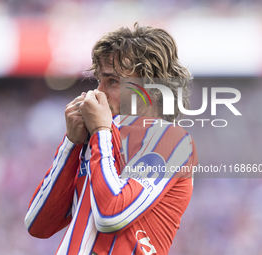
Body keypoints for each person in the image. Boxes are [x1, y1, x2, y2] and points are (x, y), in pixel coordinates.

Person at [24, 23, 198, 255]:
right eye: (99, 80)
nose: (98, 92)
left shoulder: (172, 141)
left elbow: (111, 215)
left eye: (112, 82)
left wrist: (101, 132)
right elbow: (38, 224)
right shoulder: (99, 139)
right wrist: (71, 144)